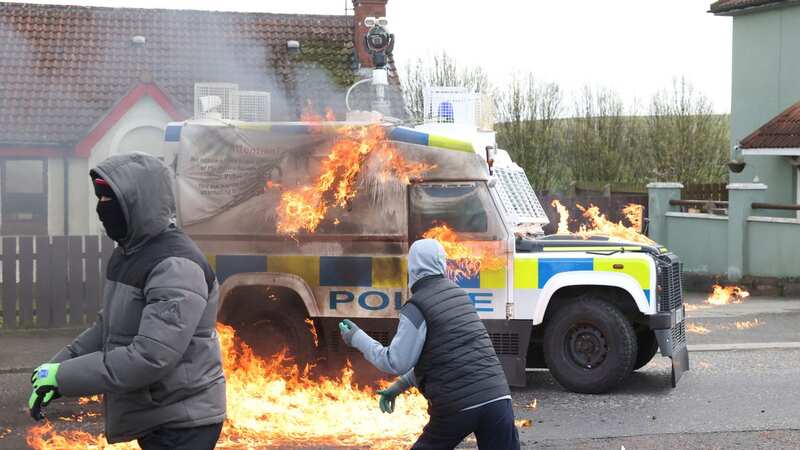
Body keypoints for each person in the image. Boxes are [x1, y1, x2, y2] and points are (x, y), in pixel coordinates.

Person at [28, 153, 226, 450]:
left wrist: (63, 378)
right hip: (157, 414)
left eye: (110, 201)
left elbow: (149, 356)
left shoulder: (175, 266)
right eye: (100, 199)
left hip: (184, 423)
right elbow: (106, 328)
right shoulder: (131, 254)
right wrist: (56, 367)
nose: (100, 210)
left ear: (138, 203)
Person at [339, 239, 520, 450]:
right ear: (442, 264)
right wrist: (399, 387)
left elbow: (395, 362)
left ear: (412, 267)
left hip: (458, 403)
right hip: (497, 397)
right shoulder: (460, 296)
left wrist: (357, 338)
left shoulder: (417, 306)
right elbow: (443, 359)